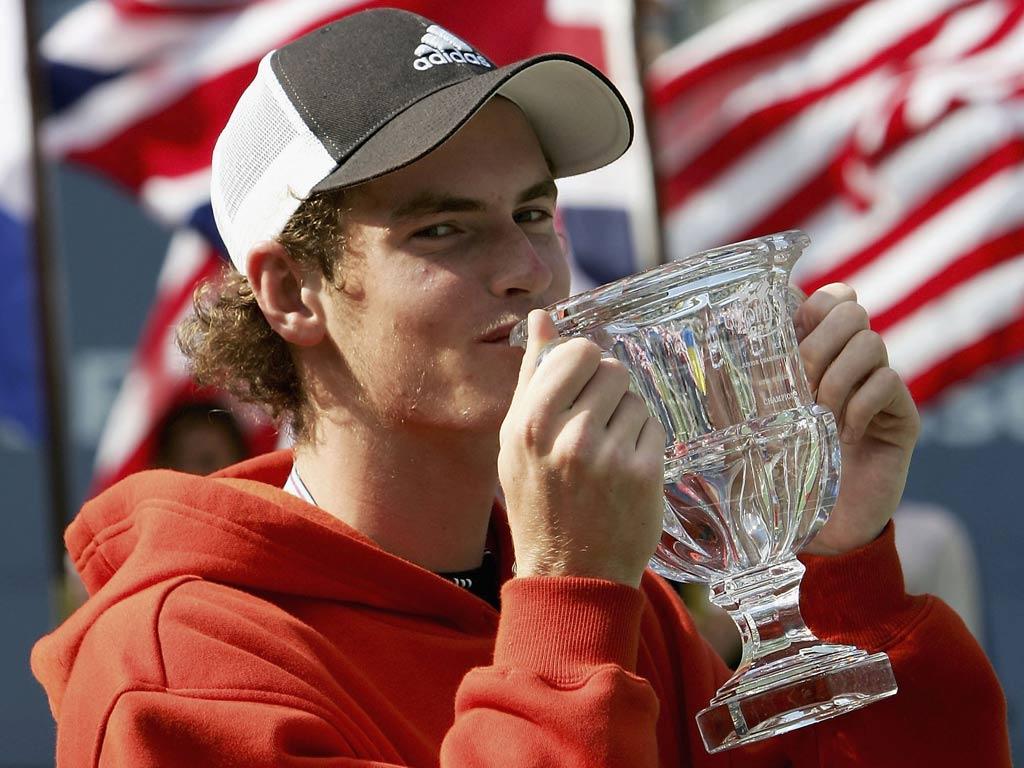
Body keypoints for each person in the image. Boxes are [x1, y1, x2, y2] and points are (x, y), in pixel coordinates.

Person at [32, 8, 1010, 766]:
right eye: (443, 229)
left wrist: (843, 580)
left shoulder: (617, 600)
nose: (529, 270)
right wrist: (567, 610)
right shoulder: (176, 667)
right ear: (292, 292)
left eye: (535, 213)